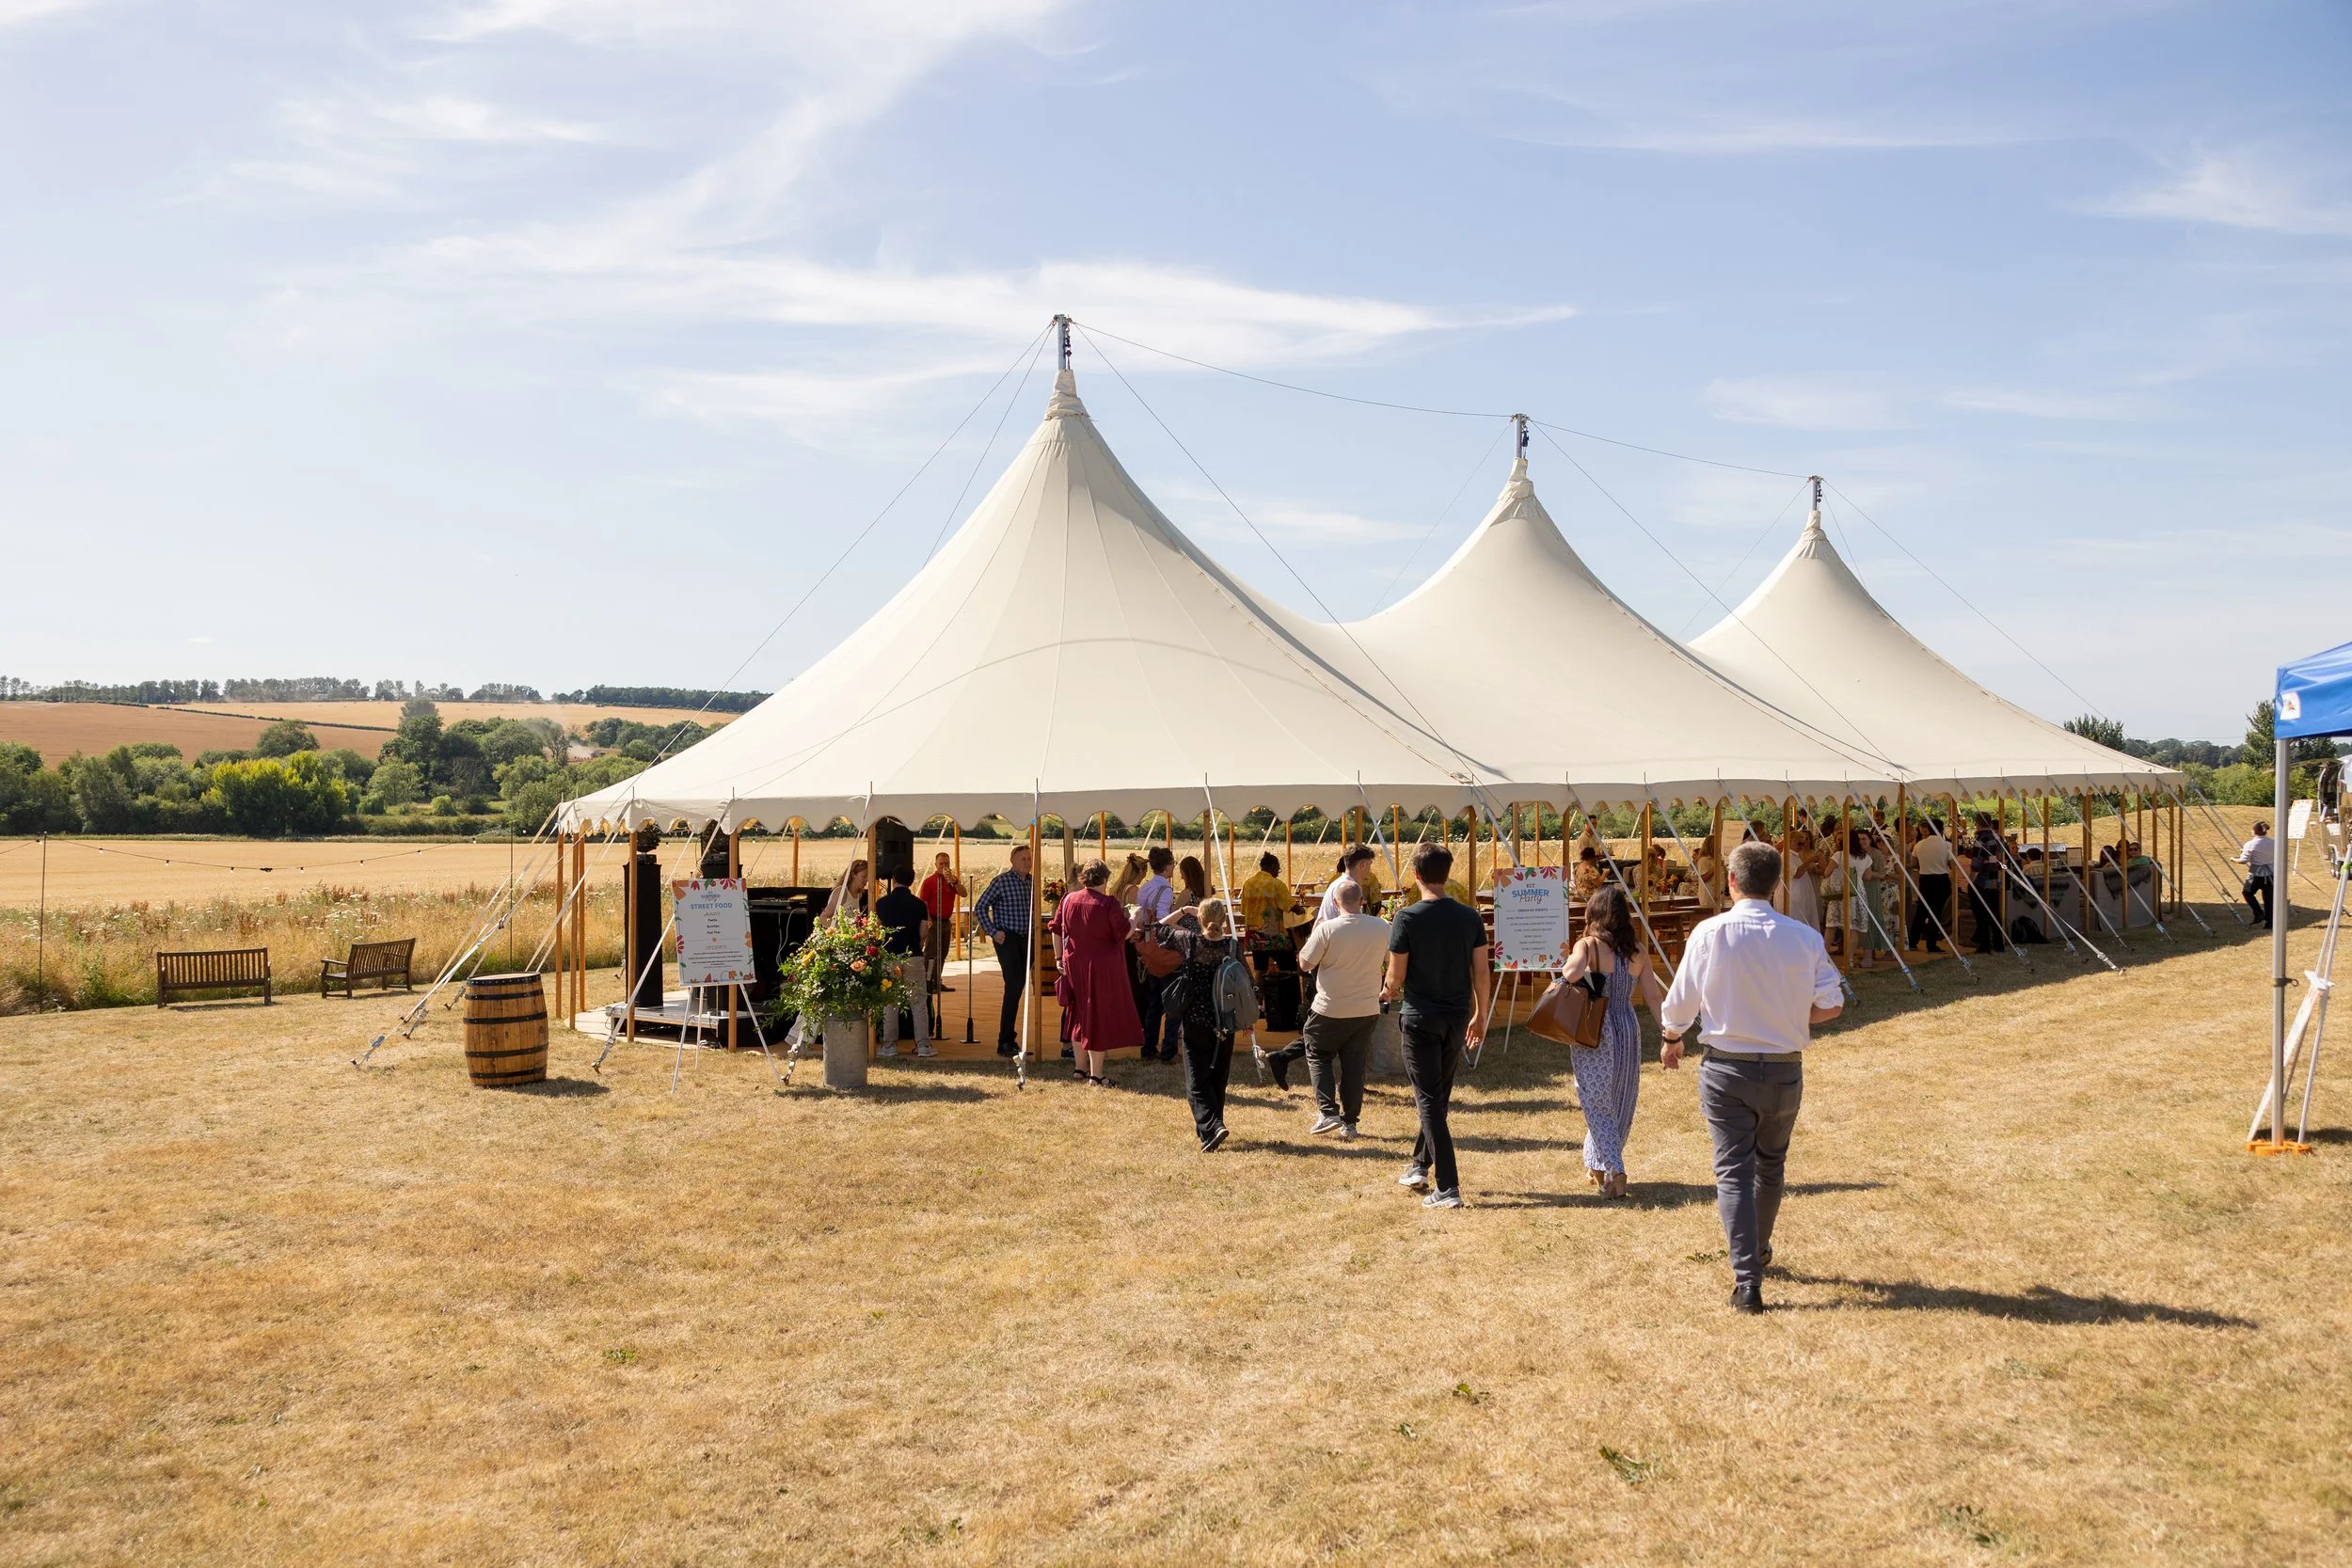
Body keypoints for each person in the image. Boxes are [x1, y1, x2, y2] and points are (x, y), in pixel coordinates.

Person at [1659, 841, 1844, 1314]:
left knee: (1733, 1172)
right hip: (1783, 1067)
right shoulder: (1802, 936)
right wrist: (1790, 1018)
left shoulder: (1710, 933)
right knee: (1770, 1165)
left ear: (1732, 882)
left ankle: (1748, 1277)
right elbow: (1832, 1004)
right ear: (1779, 884)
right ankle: (1756, 1253)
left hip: (1727, 1067)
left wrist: (1672, 1035)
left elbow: (1681, 1001)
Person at [1380, 843, 1491, 1211]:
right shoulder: (1470, 917)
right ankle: (1418, 1166)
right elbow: (1481, 972)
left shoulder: (1407, 918)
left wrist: (1386, 990)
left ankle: (1448, 1186)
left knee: (1428, 1100)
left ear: (1415, 875)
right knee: (1437, 1096)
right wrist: (1482, 1013)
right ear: (1448, 874)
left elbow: (1396, 974)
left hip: (1420, 1016)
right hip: (1458, 1015)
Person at [1557, 884, 1667, 1198]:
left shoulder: (1588, 945)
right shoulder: (1638, 950)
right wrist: (1667, 1034)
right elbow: (1654, 996)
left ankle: (1616, 1172)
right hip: (1627, 1027)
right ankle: (1596, 1164)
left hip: (1595, 1030)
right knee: (1619, 1102)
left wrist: (1568, 967)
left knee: (1597, 1103)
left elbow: (1572, 973)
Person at [1295, 877, 1389, 1138]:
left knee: (1317, 1054)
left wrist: (1315, 931)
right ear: (1362, 901)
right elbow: (1397, 958)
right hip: (1366, 1008)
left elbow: (1304, 964)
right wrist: (1387, 989)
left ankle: (1328, 1112)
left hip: (1330, 1007)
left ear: (1335, 903)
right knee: (1354, 1066)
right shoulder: (1382, 927)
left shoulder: (1327, 929)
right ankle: (1350, 1122)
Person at [1151, 895, 1248, 1151]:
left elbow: (1158, 929)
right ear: (1224, 920)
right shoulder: (1232, 947)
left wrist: (1183, 911)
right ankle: (1215, 1126)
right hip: (1225, 1020)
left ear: (1200, 920)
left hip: (1195, 1018)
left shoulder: (1191, 942)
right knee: (1218, 1077)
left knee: (1196, 1080)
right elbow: (1246, 984)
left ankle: (1212, 1127)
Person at [1051, 858, 1145, 1085]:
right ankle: (1096, 1074)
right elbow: (1123, 933)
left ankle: (1079, 1069)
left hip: (1074, 962)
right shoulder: (1108, 903)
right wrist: (1134, 918)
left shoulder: (1068, 899)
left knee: (1077, 1014)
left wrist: (1057, 958)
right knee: (1098, 1016)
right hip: (1102, 966)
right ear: (1105, 878)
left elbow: (1055, 930)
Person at [1240, 851, 1305, 1089]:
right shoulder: (1276, 884)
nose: (1279, 871)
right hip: (1275, 934)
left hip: (1254, 933)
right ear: (1273, 866)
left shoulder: (1249, 883)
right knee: (1288, 969)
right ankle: (1290, 1006)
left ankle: (1259, 1005)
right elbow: (1289, 906)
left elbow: (1245, 908)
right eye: (1278, 867)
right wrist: (1300, 910)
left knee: (1259, 969)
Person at [973, 846, 1035, 1057]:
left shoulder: (1031, 882)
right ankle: (1005, 1040)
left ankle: (1011, 1039)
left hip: (1027, 940)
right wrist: (992, 931)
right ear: (1013, 861)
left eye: (1029, 858)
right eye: (1023, 859)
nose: (1027, 862)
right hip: (1007, 938)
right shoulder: (1001, 881)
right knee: (1014, 985)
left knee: (1019, 987)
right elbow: (979, 907)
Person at [871, 867, 935, 1058]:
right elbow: (924, 932)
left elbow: (877, 931)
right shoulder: (919, 904)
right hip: (913, 956)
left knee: (890, 1003)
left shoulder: (881, 903)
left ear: (893, 879)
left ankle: (889, 1046)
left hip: (890, 956)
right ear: (912, 881)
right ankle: (923, 1046)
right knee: (918, 1003)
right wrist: (918, 942)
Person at [1132, 847, 1181, 1061]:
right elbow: (1163, 921)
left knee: (1153, 1001)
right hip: (1164, 949)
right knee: (1172, 1001)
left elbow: (1140, 917)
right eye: (1172, 864)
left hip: (1148, 948)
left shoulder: (1145, 888)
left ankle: (1148, 1046)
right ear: (1167, 865)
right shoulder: (1166, 890)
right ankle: (1169, 1048)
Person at [1907, 818, 1954, 953]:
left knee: (1922, 910)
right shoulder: (1947, 845)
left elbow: (1915, 864)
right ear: (1941, 830)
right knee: (1936, 912)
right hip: (1941, 878)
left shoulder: (1920, 845)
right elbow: (1951, 865)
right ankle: (1931, 943)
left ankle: (1913, 941)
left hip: (1925, 879)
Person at [1963, 815, 2008, 954]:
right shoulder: (1999, 838)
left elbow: (1976, 864)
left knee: (1981, 914)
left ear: (1977, 823)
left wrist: (1971, 881)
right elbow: (2003, 858)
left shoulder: (1980, 840)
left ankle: (1984, 944)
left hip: (1982, 881)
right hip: (1995, 880)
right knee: (1995, 913)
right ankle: (1999, 943)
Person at [917, 851, 960, 991]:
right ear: (936, 864)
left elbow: (964, 893)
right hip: (934, 920)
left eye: (946, 863)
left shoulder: (952, 881)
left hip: (946, 920)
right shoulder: (929, 881)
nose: (944, 866)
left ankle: (937, 980)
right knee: (931, 954)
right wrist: (928, 919)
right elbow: (923, 902)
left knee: (943, 952)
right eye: (941, 863)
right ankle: (927, 982)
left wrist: (955, 881)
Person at [1318, 845, 1378, 921]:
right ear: (1362, 865)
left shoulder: (1340, 883)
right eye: (1370, 865)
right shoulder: (1347, 888)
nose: (1370, 870)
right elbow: (1351, 921)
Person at [2236, 820, 2276, 929]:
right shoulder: (2274, 842)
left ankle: (2258, 913)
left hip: (2256, 874)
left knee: (2247, 892)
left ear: (2254, 831)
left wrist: (2233, 859)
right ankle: (2270, 923)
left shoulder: (2250, 844)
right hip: (2271, 874)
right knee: (2269, 899)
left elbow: (2243, 860)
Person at [1784, 829, 1821, 930]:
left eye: (1803, 844)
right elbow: (1796, 873)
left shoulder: (1795, 856)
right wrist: (1809, 861)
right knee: (1796, 924)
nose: (1801, 846)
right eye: (1799, 843)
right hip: (1792, 897)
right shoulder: (1786, 856)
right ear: (1790, 841)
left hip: (1801, 895)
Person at [821, 858, 869, 926]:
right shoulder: (841, 892)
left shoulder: (859, 894)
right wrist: (839, 929)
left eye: (868, 876)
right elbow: (823, 918)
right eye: (864, 876)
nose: (867, 879)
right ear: (853, 875)